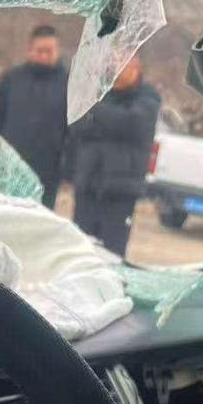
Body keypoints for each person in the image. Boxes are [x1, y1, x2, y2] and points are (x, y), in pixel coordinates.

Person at [70, 56, 161, 259]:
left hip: (120, 190)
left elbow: (132, 123)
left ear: (136, 68)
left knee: (111, 253)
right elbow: (78, 125)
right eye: (113, 67)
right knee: (79, 250)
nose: (116, 71)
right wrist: (107, 119)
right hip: (89, 185)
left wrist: (97, 111)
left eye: (122, 66)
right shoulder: (99, 93)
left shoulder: (147, 97)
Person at [0, 24, 69, 209]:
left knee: (37, 221)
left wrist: (67, 168)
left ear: (57, 51)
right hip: (10, 166)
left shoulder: (68, 83)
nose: (44, 56)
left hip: (47, 172)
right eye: (40, 51)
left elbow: (72, 131)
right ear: (30, 50)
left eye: (49, 51)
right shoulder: (12, 79)